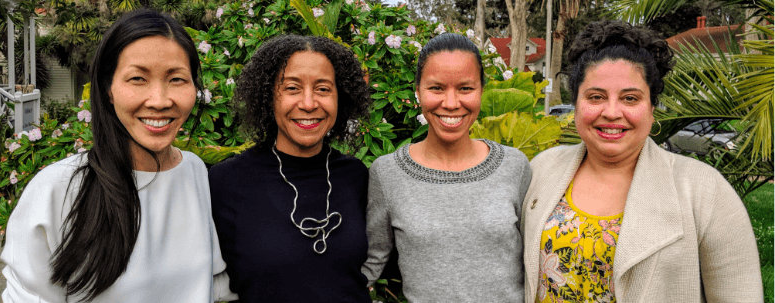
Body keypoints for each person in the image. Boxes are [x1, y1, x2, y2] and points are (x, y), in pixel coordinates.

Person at [1, 9, 236, 302]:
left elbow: (212, 284)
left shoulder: (194, 171)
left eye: (177, 79)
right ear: (108, 89)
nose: (160, 101)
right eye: (138, 78)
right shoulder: (57, 189)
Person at [522, 20, 763, 302]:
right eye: (596, 97)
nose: (612, 112)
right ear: (576, 104)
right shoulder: (543, 169)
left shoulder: (704, 190)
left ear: (652, 107)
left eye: (630, 98)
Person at [362, 33, 532, 302]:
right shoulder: (387, 173)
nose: (451, 103)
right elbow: (372, 259)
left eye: (465, 88)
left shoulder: (514, 166)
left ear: (481, 90)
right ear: (417, 91)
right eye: (436, 88)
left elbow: (536, 258)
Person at [209, 34, 372, 302]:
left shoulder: (356, 176)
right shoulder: (226, 181)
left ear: (340, 97)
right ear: (268, 97)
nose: (308, 104)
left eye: (323, 89)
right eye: (292, 88)